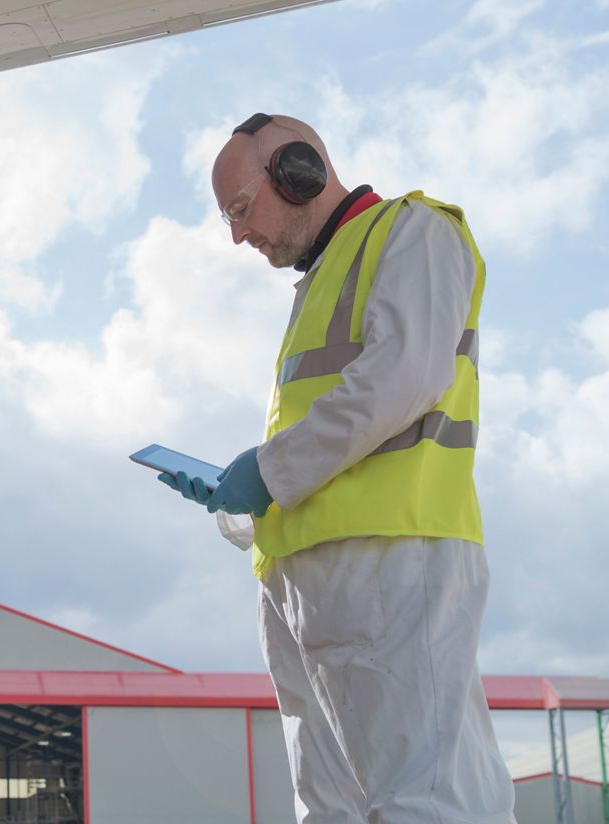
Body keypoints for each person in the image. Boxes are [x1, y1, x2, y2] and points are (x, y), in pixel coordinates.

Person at [160, 113, 516, 823]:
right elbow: (329, 438)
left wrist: (267, 469)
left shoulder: (414, 231)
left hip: (390, 560)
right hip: (307, 577)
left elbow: (405, 377)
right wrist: (243, 498)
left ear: (299, 172)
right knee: (332, 808)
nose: (236, 235)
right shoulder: (322, 280)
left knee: (429, 800)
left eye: (239, 209)